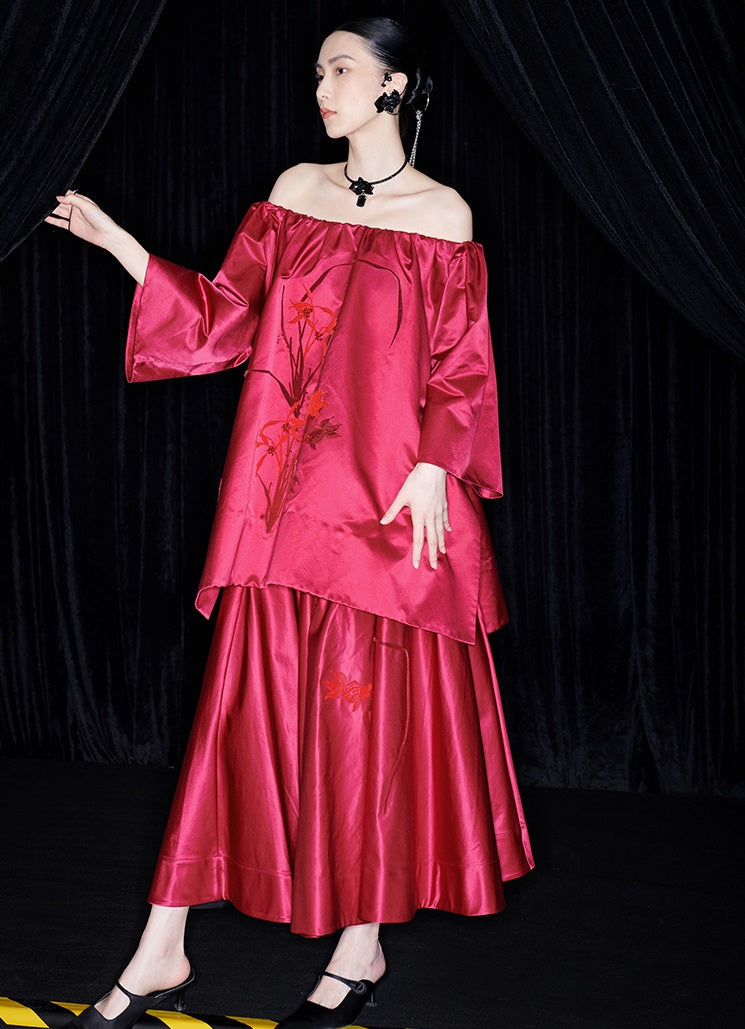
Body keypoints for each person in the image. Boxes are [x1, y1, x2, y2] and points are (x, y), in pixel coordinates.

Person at [46, 15, 534, 1029]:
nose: (322, 86)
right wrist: (123, 246)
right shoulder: (294, 192)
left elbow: (461, 363)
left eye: (342, 69)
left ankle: (358, 950)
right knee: (233, 721)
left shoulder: (443, 215)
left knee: (370, 730)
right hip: (280, 506)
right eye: (318, 70)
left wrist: (436, 464)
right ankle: (161, 949)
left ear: (393, 85)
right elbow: (225, 321)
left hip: (388, 511)